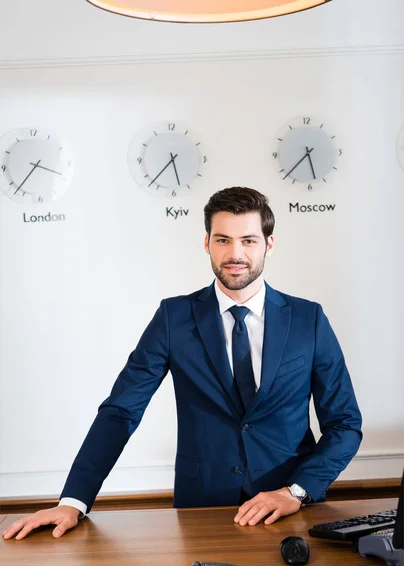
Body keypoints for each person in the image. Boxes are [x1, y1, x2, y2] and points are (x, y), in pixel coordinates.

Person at [3, 187, 362, 541]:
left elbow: (345, 424)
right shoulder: (174, 318)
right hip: (202, 507)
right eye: (223, 240)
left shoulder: (307, 319)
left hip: (292, 505)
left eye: (249, 240)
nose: (235, 253)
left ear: (269, 244)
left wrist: (296, 491)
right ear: (207, 243)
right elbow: (120, 412)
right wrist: (73, 501)